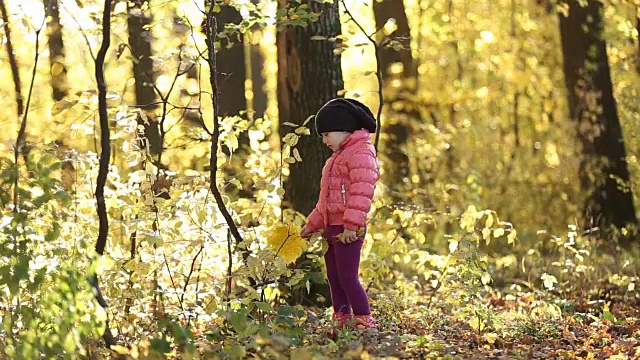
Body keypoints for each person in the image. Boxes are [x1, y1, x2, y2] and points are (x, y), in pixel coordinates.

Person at [300, 98, 379, 330]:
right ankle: (342, 317)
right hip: (331, 227)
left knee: (347, 276)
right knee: (334, 277)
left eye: (326, 134)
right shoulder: (337, 157)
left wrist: (351, 226)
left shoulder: (361, 153)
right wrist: (312, 224)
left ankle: (364, 319)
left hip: (348, 229)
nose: (324, 141)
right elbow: (326, 200)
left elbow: (362, 192)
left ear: (343, 129)